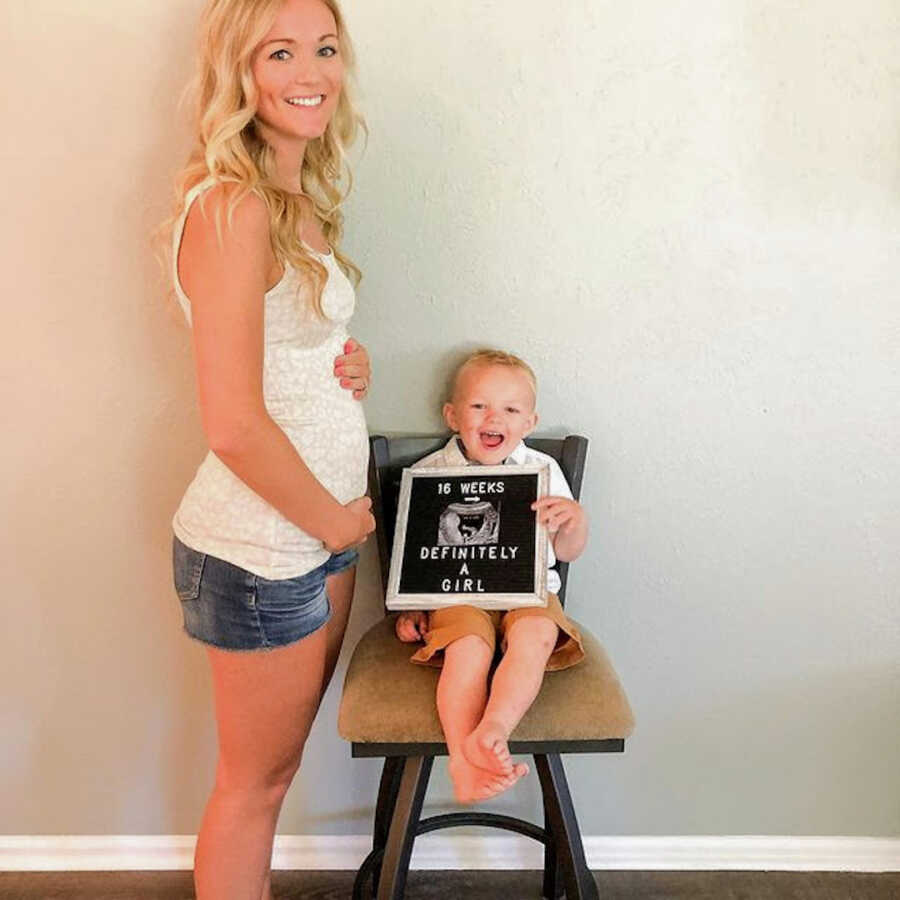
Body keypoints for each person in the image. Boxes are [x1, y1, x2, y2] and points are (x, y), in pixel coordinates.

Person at [164, 0, 373, 896]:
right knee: (252, 788)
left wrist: (341, 359)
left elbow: (279, 350)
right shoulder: (231, 209)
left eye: (324, 50)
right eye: (279, 53)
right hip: (265, 549)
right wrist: (331, 522)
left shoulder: (294, 197)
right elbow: (233, 422)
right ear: (238, 74)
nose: (309, 73)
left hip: (319, 539)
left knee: (272, 780)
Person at [395, 350, 589, 804]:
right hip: (458, 596)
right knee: (467, 650)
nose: (493, 418)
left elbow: (566, 553)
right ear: (452, 415)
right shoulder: (429, 475)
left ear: (529, 422)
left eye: (510, 409)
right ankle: (463, 763)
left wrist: (575, 521)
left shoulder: (542, 472)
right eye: (480, 406)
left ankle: (494, 729)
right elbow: (418, 559)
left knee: (539, 633)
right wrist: (414, 607)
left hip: (528, 593)